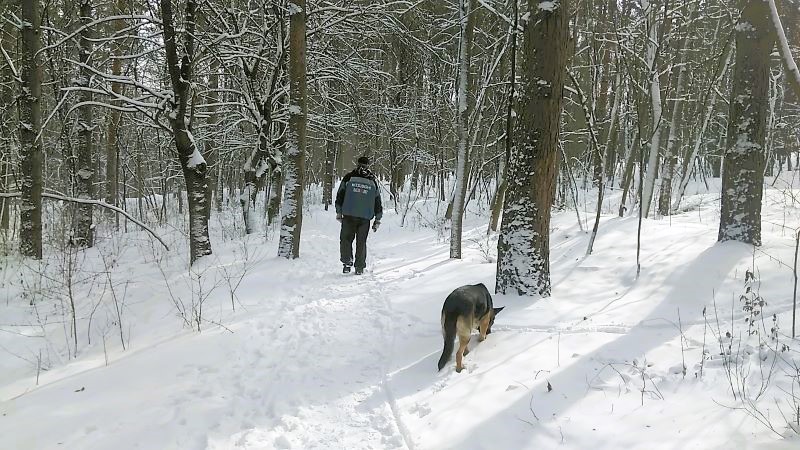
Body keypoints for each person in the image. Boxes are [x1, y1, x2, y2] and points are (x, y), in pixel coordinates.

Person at [335, 156, 383, 275]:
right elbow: (377, 201)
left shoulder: (349, 178)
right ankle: (359, 268)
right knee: (361, 242)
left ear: (357, 164)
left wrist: (339, 212)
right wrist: (377, 219)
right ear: (368, 165)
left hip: (349, 215)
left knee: (345, 240)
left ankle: (347, 262)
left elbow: (340, 195)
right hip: (365, 217)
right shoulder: (372, 181)